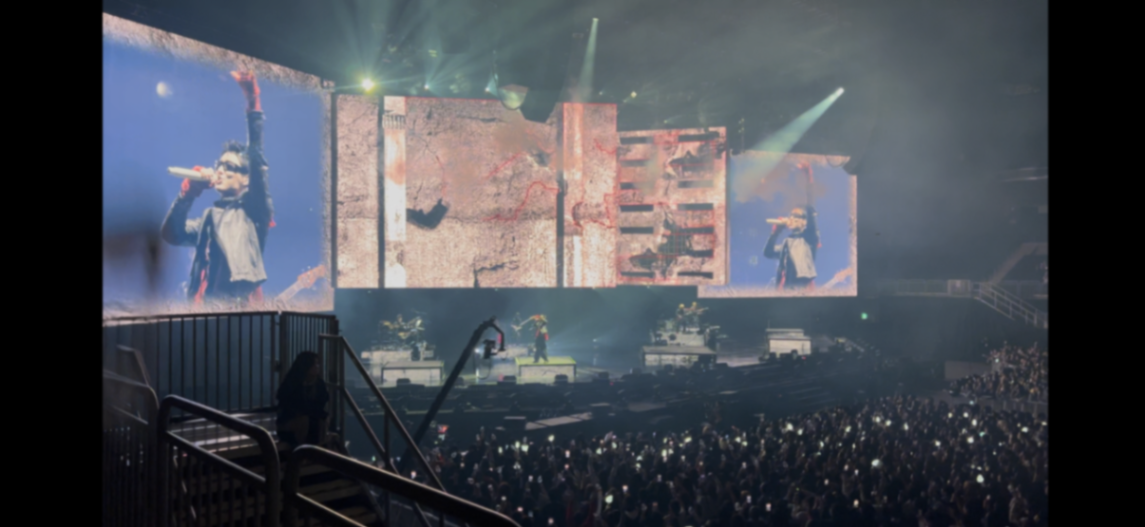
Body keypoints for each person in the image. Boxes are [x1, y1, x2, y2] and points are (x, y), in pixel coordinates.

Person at [161, 71, 274, 305]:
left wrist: (253, 101)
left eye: (229, 167)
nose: (220, 170)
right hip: (204, 310)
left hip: (237, 310)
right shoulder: (209, 218)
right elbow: (172, 234)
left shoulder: (254, 211)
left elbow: (256, 156)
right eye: (219, 165)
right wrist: (189, 193)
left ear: (246, 179)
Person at [275, 351, 329, 447]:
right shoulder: (292, 382)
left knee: (320, 421)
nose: (317, 367)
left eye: (318, 364)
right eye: (314, 364)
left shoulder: (319, 383)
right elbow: (288, 404)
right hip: (291, 420)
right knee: (304, 421)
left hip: (312, 418)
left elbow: (322, 401)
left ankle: (317, 450)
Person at [763, 205, 819, 290]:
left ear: (804, 222)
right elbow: (768, 252)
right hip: (787, 288)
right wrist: (776, 232)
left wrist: (807, 204)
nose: (791, 218)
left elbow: (811, 220)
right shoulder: (787, 242)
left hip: (802, 288)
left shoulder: (809, 239)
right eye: (790, 216)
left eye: (796, 216)